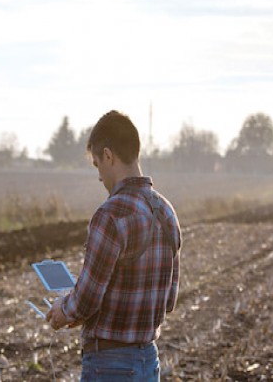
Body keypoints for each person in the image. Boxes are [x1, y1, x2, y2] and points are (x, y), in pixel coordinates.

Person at [46, 110, 181, 381]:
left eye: (97, 165)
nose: (99, 177)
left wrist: (64, 310)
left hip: (109, 366)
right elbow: (168, 301)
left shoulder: (110, 214)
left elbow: (86, 300)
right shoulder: (166, 211)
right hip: (148, 362)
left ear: (108, 156)